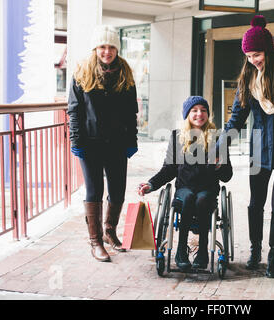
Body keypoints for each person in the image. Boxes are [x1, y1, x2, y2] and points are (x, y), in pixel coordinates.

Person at [217, 15, 274, 278]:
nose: (253, 60)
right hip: (259, 149)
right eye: (248, 56)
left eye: (256, 54)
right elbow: (237, 115)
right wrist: (221, 144)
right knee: (256, 202)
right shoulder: (249, 78)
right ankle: (255, 249)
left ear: (267, 50)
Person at [67, 25, 139, 262]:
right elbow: (75, 111)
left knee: (117, 189)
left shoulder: (125, 73)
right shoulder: (81, 73)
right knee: (94, 191)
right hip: (90, 143)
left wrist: (132, 139)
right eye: (102, 47)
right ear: (95, 48)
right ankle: (95, 241)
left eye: (111, 47)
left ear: (116, 49)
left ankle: (109, 231)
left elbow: (131, 111)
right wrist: (76, 141)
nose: (106, 51)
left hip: (117, 143)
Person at [138, 96, 232, 271]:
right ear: (187, 114)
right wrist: (151, 184)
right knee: (188, 197)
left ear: (208, 114)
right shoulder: (177, 137)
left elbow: (227, 176)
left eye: (203, 110)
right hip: (184, 190)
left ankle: (203, 251)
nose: (199, 114)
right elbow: (168, 169)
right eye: (194, 110)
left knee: (202, 199)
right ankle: (181, 250)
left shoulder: (217, 138)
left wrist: (220, 165)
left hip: (207, 191)